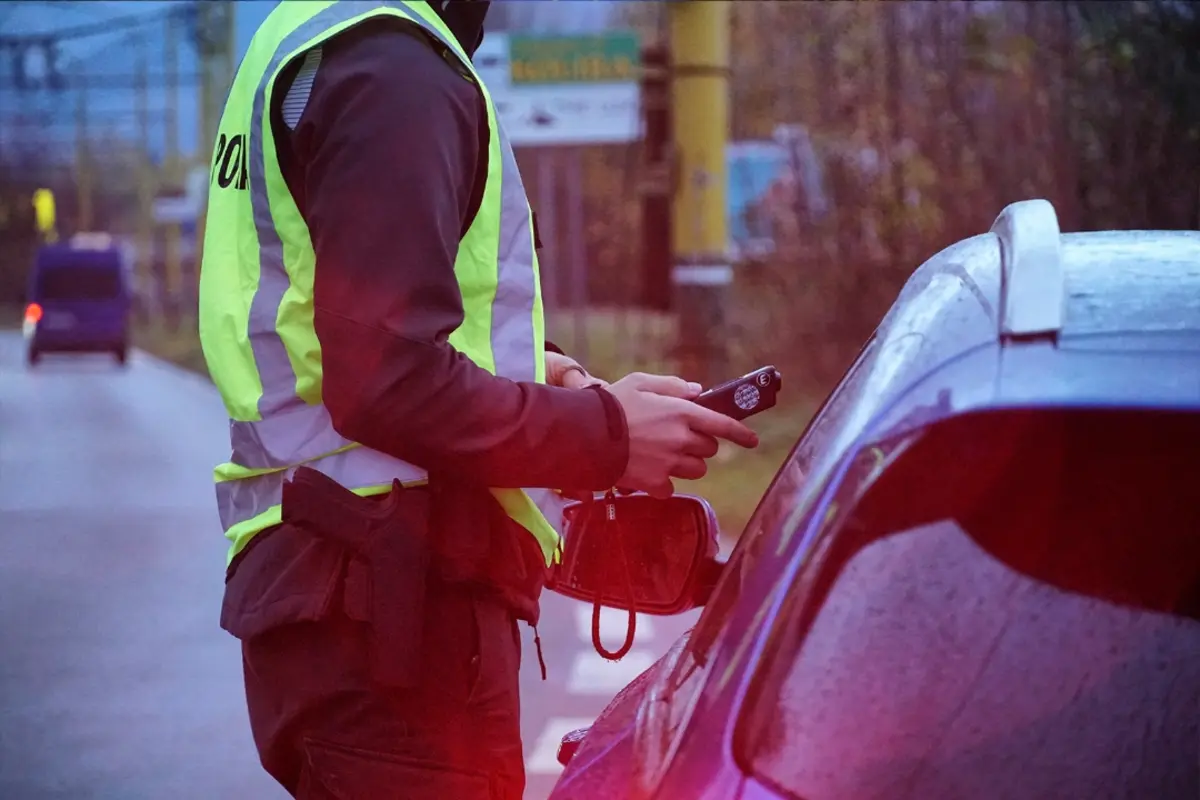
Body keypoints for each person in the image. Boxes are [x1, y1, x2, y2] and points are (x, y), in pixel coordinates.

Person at [197, 1, 759, 798]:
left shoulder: (328, 35)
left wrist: (561, 383)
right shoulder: (394, 67)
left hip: (349, 605)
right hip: (393, 620)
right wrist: (608, 437)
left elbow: (382, 329)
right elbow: (388, 379)